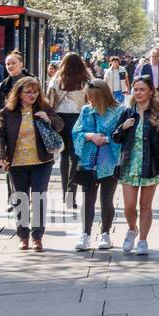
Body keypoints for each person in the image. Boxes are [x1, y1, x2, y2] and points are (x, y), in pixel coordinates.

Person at [0, 76, 63, 251]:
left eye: (35, 91)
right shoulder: (7, 112)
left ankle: (37, 237)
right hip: (17, 163)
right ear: (19, 93)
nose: (32, 95)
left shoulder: (43, 107)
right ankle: (23, 236)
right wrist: (1, 155)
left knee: (39, 198)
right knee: (21, 200)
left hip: (42, 161)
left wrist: (49, 119)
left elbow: (60, 125)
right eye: (28, 92)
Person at [111, 74, 159, 256]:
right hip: (129, 164)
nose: (138, 93)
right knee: (129, 206)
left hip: (151, 165)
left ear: (150, 92)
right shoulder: (127, 112)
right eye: (135, 89)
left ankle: (143, 240)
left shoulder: (158, 114)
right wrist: (123, 127)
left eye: (142, 89)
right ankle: (132, 229)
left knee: (145, 205)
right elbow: (115, 138)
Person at [71, 79, 125, 251]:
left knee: (106, 199)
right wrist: (90, 136)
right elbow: (76, 132)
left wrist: (107, 139)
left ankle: (105, 233)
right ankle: (85, 234)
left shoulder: (118, 111)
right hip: (89, 161)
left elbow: (122, 136)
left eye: (94, 97)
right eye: (89, 97)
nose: (91, 100)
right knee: (88, 199)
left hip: (109, 161)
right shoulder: (86, 111)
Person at [46, 53, 92, 211]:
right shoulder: (86, 81)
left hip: (61, 120)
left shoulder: (56, 80)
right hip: (79, 118)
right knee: (76, 156)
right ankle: (71, 193)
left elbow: (49, 101)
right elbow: (90, 101)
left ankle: (65, 192)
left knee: (64, 156)